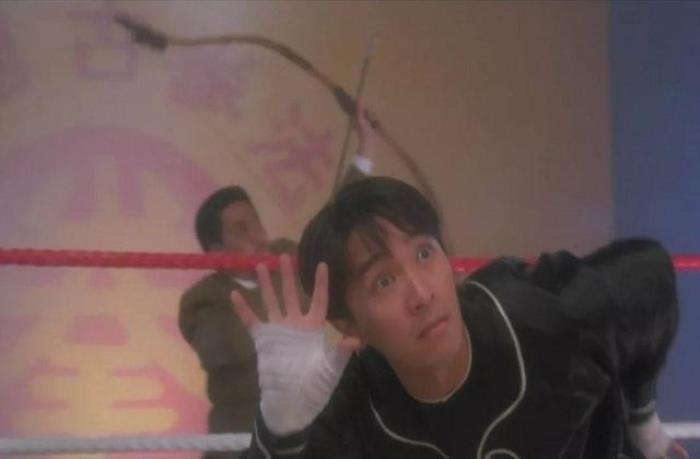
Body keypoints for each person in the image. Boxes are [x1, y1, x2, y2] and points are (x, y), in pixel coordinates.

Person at [231, 176, 688, 458]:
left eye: (424, 253)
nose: (421, 293)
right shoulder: (350, 408)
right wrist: (279, 430)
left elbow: (648, 276)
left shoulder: (544, 314)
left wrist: (644, 425)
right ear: (349, 325)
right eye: (383, 281)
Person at [179, 112, 376, 459]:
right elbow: (231, 346)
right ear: (216, 252)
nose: (259, 235)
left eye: (257, 222)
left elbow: (329, 226)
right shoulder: (201, 300)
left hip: (310, 435)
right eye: (242, 229)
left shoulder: (283, 257)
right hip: (240, 447)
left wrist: (366, 147)